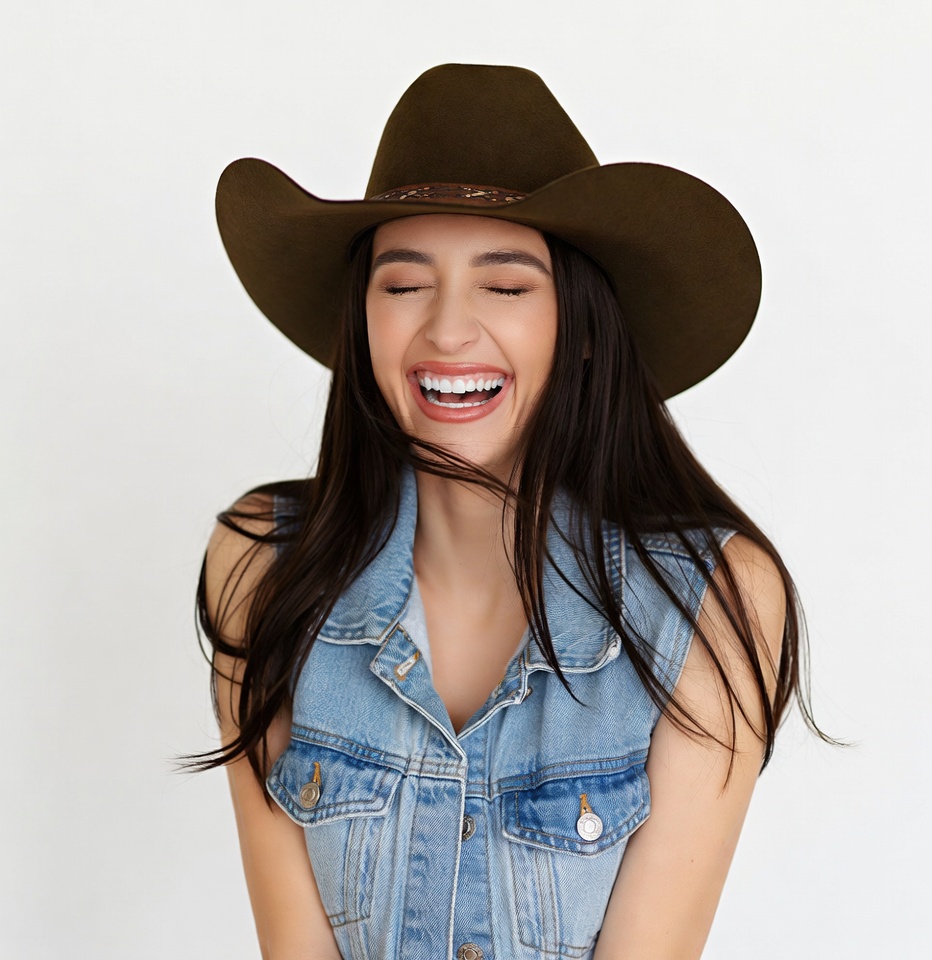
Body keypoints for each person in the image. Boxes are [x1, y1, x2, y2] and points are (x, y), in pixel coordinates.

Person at [192, 64, 815, 960]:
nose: (447, 330)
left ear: (586, 326)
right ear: (360, 318)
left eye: (508, 286)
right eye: (403, 285)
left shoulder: (713, 604)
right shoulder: (260, 567)